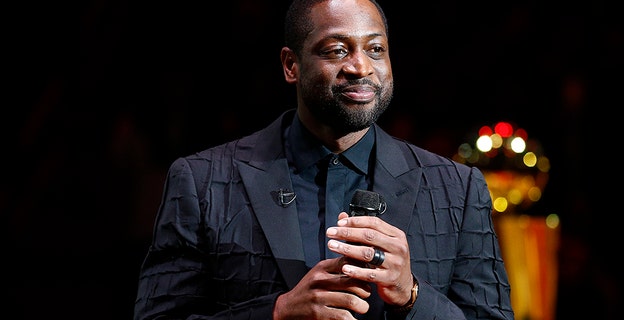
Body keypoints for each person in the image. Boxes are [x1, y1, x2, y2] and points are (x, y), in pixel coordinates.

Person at [133, 0, 514, 319]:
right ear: (290, 65)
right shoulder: (201, 182)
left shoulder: (457, 189)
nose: (360, 66)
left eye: (375, 49)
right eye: (337, 50)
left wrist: (412, 294)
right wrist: (278, 312)